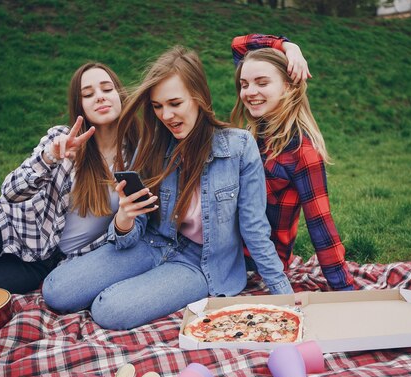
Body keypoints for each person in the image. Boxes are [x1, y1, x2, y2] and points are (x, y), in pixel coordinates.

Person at [42, 46, 293, 330]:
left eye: (175, 103)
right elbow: (130, 233)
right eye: (158, 106)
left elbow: (255, 229)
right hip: (151, 243)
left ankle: (141, 288)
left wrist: (284, 295)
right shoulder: (152, 146)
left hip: (199, 264)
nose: (167, 115)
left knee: (109, 309)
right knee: (57, 290)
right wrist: (124, 220)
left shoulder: (239, 148)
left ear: (198, 97)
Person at [0, 62, 138, 294]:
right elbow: (10, 192)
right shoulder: (61, 138)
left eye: (107, 89)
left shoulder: (136, 159)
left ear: (120, 95)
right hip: (6, 226)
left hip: (40, 266)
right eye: (88, 94)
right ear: (80, 105)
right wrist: (49, 157)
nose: (99, 97)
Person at [230, 35, 355, 291]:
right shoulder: (257, 132)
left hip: (255, 263)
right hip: (221, 246)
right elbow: (238, 45)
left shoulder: (301, 151)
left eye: (262, 82)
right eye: (244, 84)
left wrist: (345, 291)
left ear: (289, 86)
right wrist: (288, 46)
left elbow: (321, 226)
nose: (250, 92)